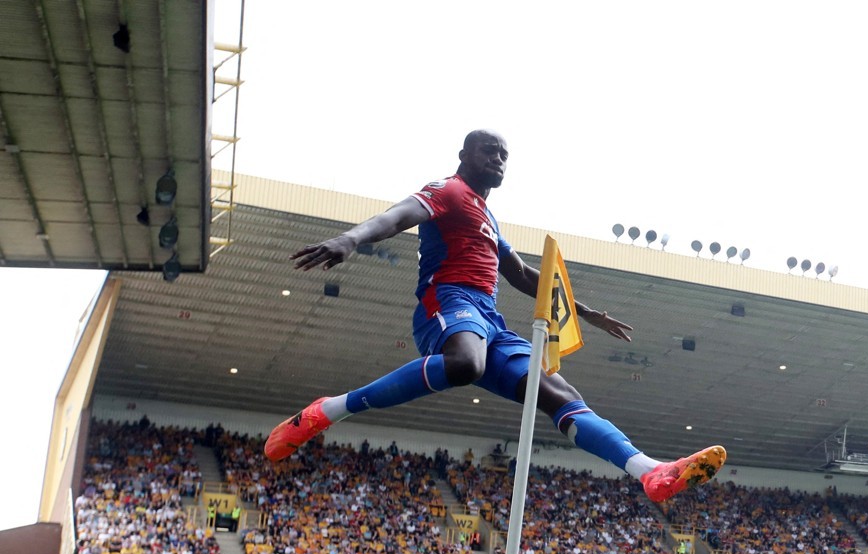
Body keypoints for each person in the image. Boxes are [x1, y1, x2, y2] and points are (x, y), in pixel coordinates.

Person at [270, 130, 727, 507]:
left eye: (505, 154)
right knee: (467, 364)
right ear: (464, 155)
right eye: (490, 150)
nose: (499, 159)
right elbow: (396, 216)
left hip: (490, 317)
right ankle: (328, 409)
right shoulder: (448, 191)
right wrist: (351, 239)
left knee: (557, 393)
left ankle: (649, 472)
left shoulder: (487, 215)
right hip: (447, 301)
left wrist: (584, 312)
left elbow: (524, 274)